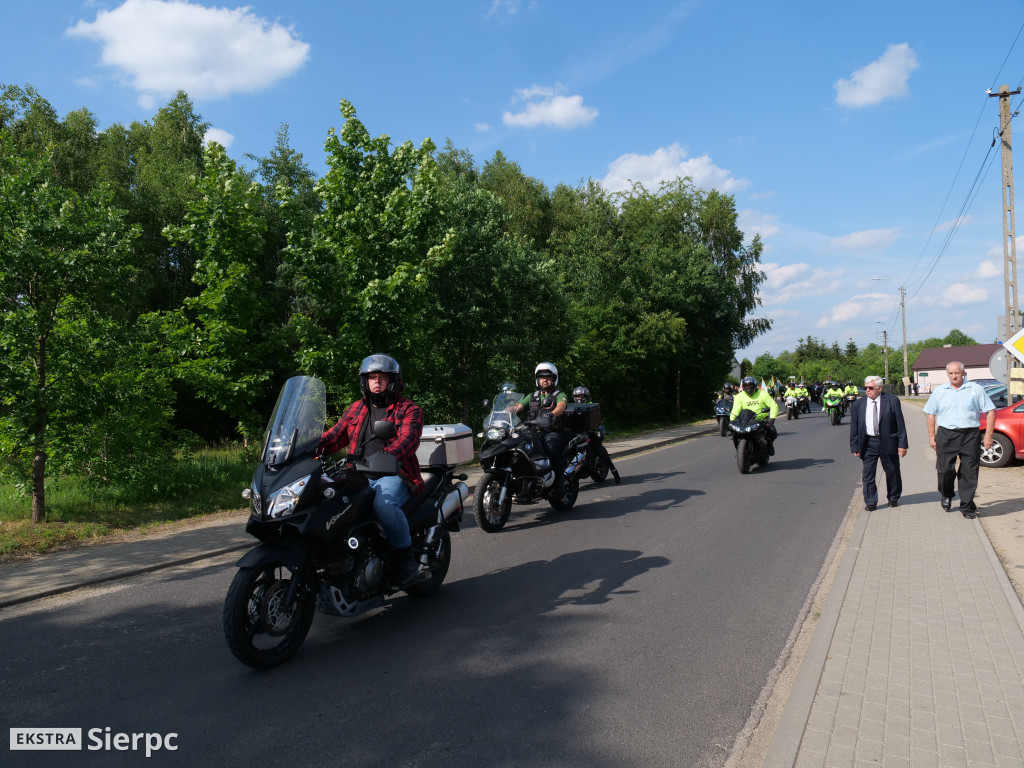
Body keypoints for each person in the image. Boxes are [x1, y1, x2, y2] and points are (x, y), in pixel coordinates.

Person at [318, 353, 424, 586]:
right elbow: (335, 437)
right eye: (372, 377)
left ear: (393, 380)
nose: (377, 381)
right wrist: (307, 447)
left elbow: (409, 440)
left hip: (394, 475)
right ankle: (338, 558)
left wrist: (387, 455)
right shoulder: (356, 408)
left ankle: (405, 559)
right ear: (364, 381)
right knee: (326, 502)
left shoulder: (409, 409)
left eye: (382, 377)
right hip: (357, 474)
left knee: (383, 505)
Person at [922, 361, 996, 519]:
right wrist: (931, 436)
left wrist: (988, 435)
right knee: (945, 470)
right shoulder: (940, 391)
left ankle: (967, 506)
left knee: (969, 472)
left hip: (970, 435)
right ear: (947, 374)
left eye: (957, 373)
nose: (954, 376)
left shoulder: (975, 389)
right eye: (951, 373)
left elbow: (990, 411)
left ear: (963, 373)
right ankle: (947, 494)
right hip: (946, 435)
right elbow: (930, 413)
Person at [850, 375, 908, 511]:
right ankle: (870, 502)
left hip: (888, 442)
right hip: (868, 443)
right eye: (866, 388)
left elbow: (900, 423)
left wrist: (902, 444)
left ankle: (893, 498)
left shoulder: (892, 401)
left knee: (892, 471)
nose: (867, 390)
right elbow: (854, 427)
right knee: (868, 474)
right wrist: (855, 445)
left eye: (871, 388)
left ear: (880, 388)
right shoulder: (859, 404)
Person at [512, 362, 570, 476]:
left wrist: (551, 414)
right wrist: (504, 412)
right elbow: (517, 407)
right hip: (533, 431)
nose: (545, 380)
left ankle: (559, 479)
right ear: (537, 380)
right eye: (542, 377)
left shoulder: (559, 394)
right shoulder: (532, 396)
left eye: (548, 377)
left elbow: (561, 406)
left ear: (554, 379)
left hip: (553, 431)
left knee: (550, 447)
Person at [572, 385, 621, 484]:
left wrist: (595, 429)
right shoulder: (571, 407)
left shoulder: (592, 405)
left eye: (581, 396)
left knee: (600, 450)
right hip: (577, 434)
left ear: (586, 396)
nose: (579, 398)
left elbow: (596, 419)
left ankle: (615, 472)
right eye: (577, 396)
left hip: (591, 432)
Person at [730, 376, 779, 453]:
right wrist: (732, 420)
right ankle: (740, 450)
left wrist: (772, 418)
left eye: (751, 385)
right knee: (735, 433)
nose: (749, 387)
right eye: (747, 386)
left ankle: (769, 445)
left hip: (761, 419)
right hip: (745, 420)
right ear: (744, 387)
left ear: (754, 385)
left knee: (772, 431)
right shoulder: (739, 396)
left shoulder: (763, 394)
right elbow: (735, 409)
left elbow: (773, 405)